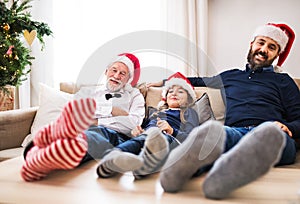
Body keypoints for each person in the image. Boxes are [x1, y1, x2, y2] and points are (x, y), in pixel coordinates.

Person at [150, 23, 300, 199]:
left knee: (270, 135)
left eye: (271, 47)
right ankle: (183, 173)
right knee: (217, 134)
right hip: (237, 131)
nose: (264, 49)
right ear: (252, 44)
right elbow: (199, 80)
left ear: (276, 55)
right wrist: (164, 81)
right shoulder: (230, 76)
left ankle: (223, 170)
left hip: (272, 134)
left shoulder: (283, 81)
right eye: (261, 42)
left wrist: (288, 127)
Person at [21, 53, 146, 182]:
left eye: (122, 73)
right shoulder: (92, 92)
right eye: (114, 70)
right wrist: (112, 110)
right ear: (106, 71)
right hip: (83, 129)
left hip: (116, 136)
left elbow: (133, 123)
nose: (116, 76)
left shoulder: (134, 95)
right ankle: (43, 150)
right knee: (80, 132)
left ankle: (53, 153)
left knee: (94, 137)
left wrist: (96, 120)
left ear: (128, 80)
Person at [96, 73, 200, 179]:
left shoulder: (189, 113)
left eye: (180, 91)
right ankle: (113, 157)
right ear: (165, 97)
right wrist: (136, 131)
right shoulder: (156, 113)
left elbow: (191, 138)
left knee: (154, 135)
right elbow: (139, 128)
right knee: (141, 138)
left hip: (171, 141)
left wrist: (171, 130)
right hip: (147, 139)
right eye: (171, 91)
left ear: (188, 99)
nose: (174, 94)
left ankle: (142, 166)